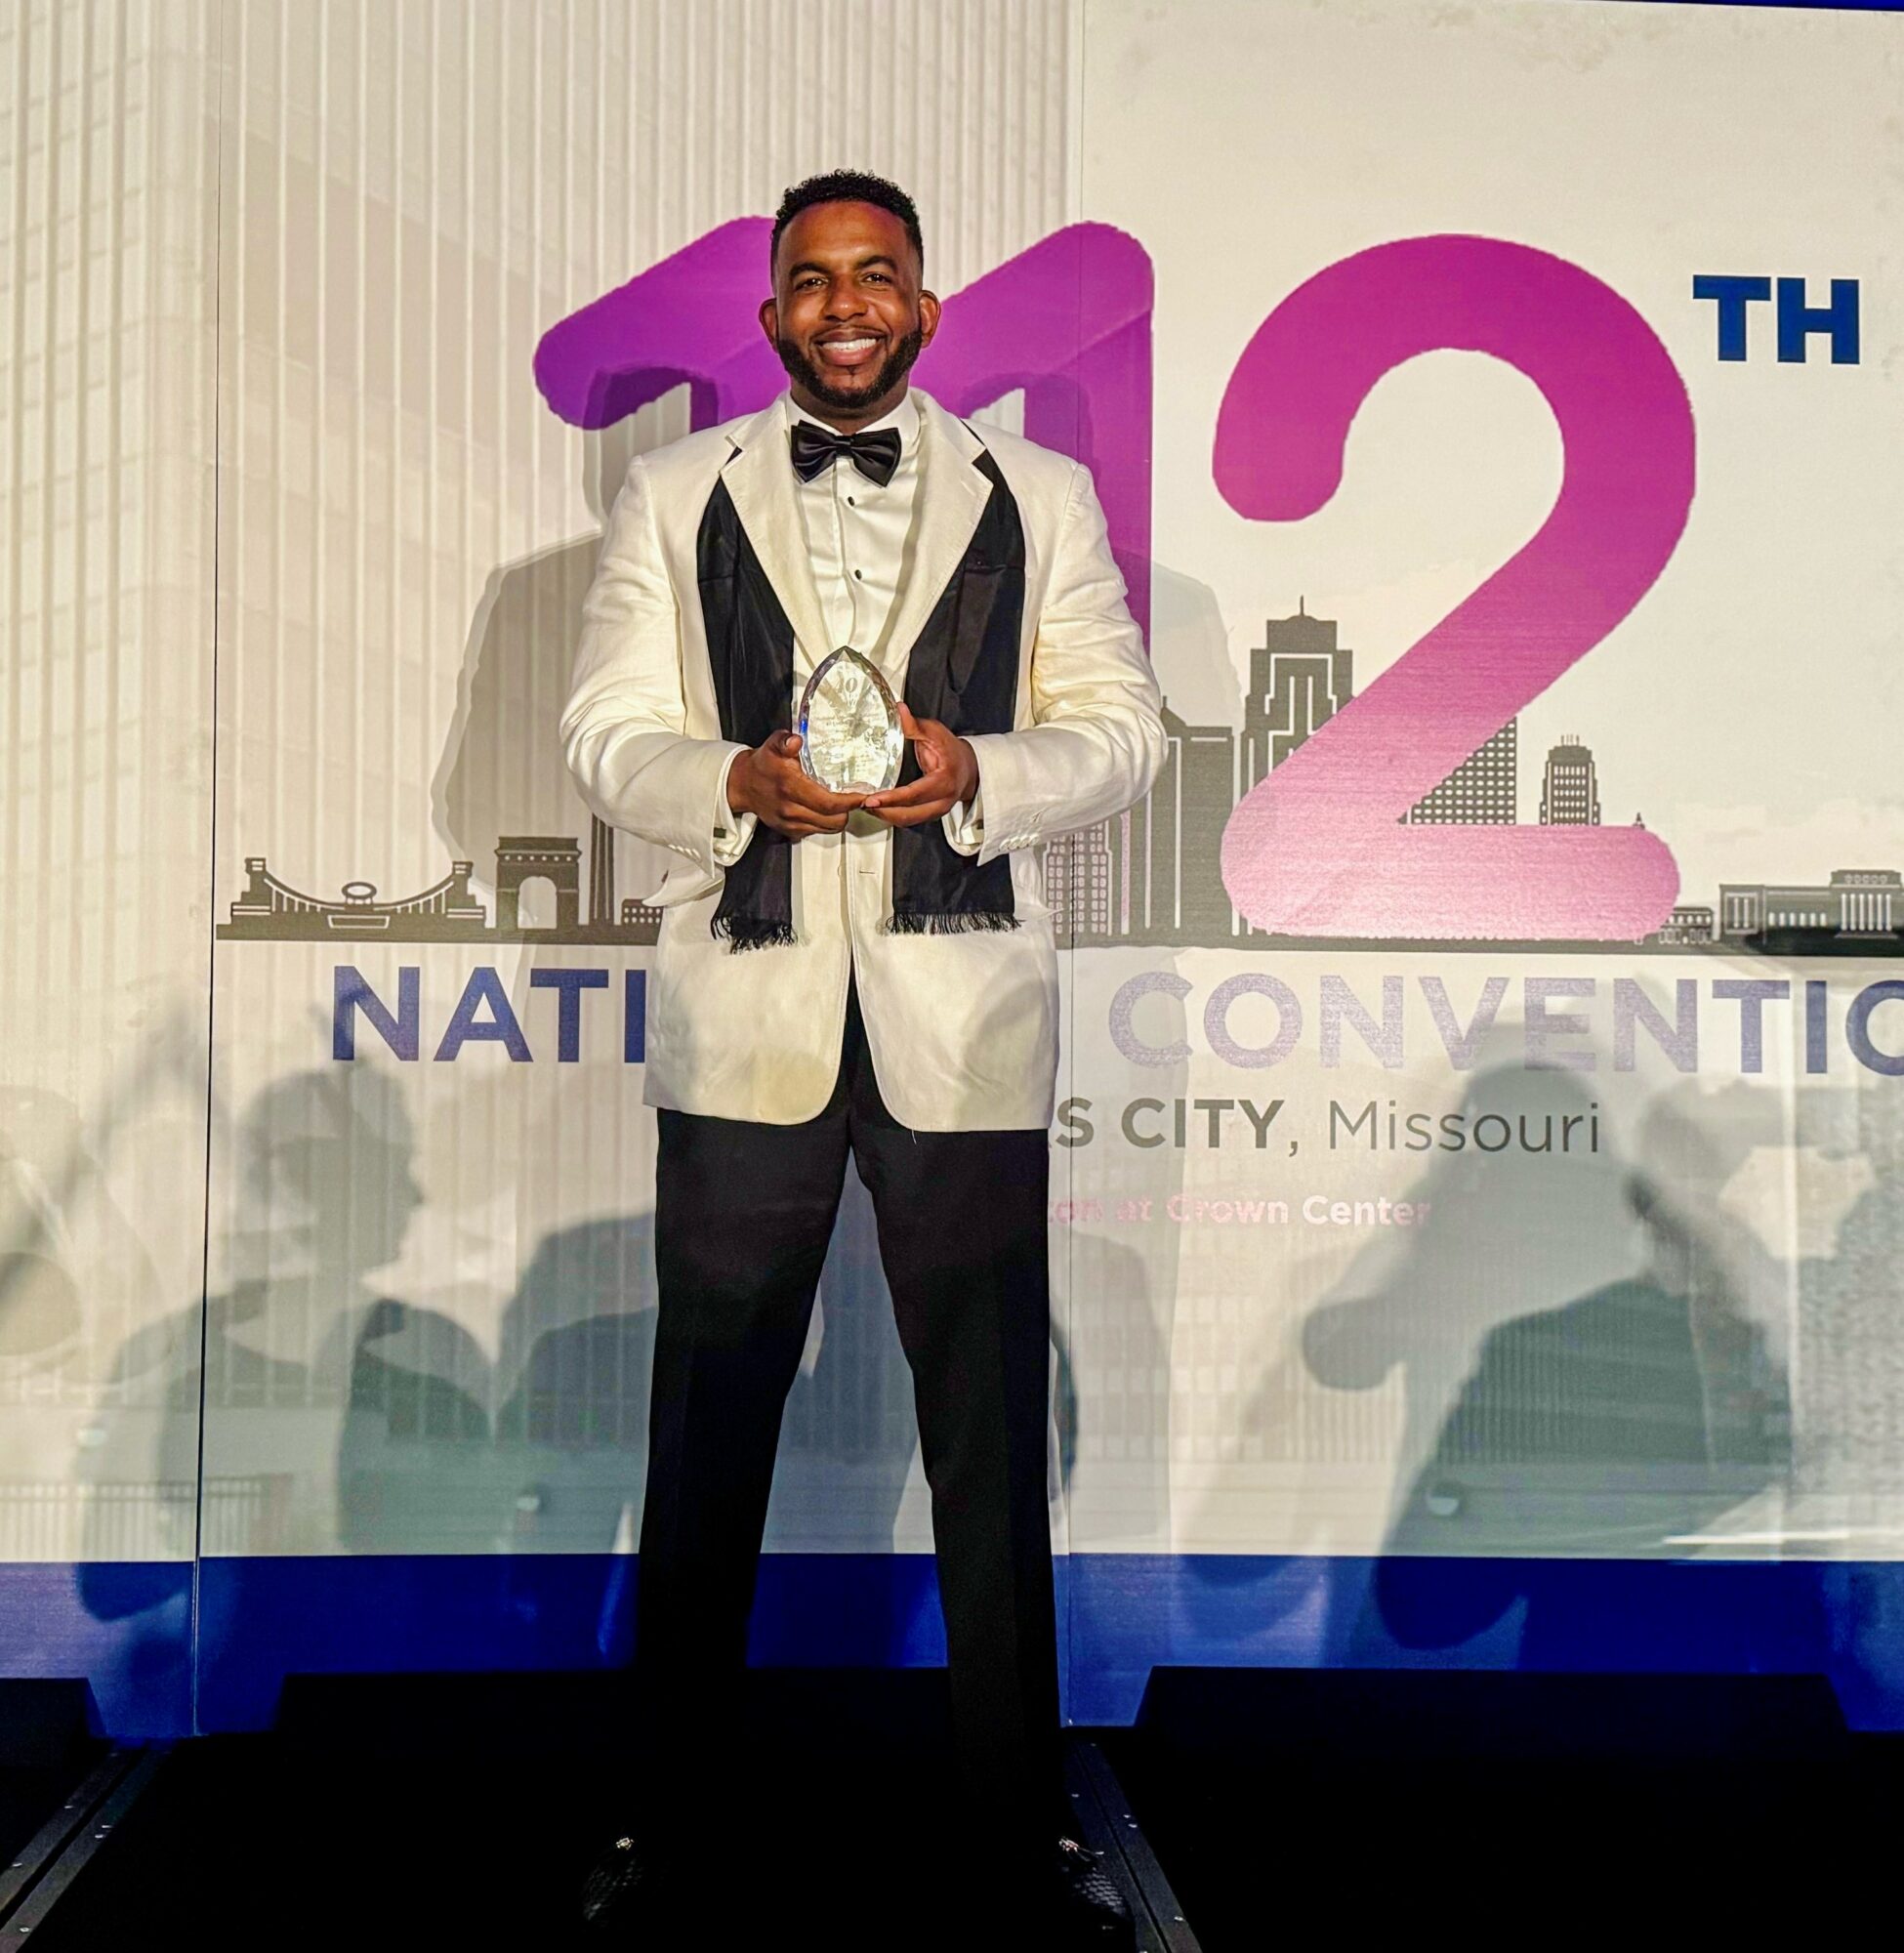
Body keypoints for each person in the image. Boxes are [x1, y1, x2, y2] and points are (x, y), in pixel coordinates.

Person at [561, 168, 1164, 1941]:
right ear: (769, 315)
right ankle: (664, 1819)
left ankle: (1013, 1825)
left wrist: (977, 771)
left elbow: (1117, 729)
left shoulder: (1037, 495)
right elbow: (605, 726)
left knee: (985, 1438)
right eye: (813, 281)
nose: (845, 304)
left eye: (876, 276)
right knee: (705, 1429)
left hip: (960, 1019)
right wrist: (724, 783)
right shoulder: (670, 494)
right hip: (745, 1021)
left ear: (924, 302)